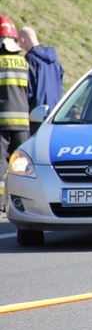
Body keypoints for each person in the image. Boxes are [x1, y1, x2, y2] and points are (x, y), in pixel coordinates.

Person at [0, 16, 29, 212]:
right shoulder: (24, 63)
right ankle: (24, 201)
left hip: (1, 122)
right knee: (23, 165)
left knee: (0, 162)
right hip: (23, 122)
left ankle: (1, 201)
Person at [17, 26, 65, 133]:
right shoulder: (55, 61)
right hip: (55, 112)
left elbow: (28, 89)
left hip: (37, 114)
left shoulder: (31, 59)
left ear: (23, 40)